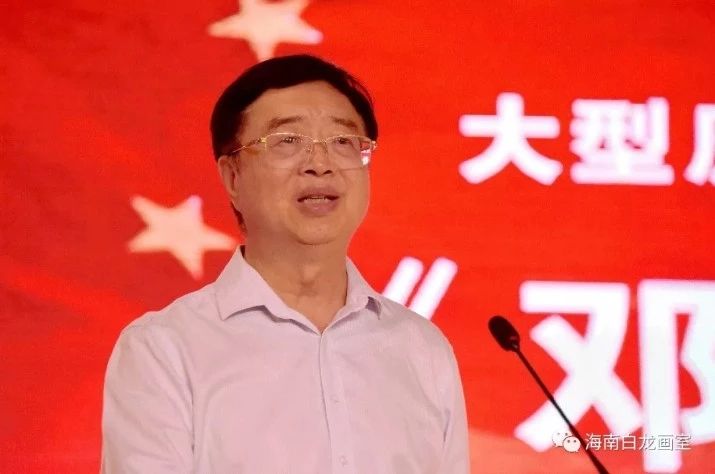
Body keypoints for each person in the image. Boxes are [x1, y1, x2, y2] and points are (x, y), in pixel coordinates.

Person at [101, 54, 469, 473]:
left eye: (343, 141)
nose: (320, 164)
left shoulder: (421, 349)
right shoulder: (164, 350)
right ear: (232, 177)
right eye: (287, 141)